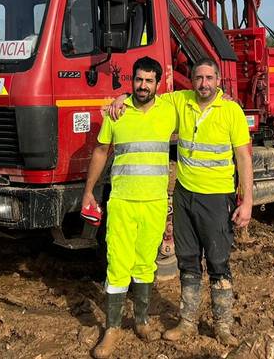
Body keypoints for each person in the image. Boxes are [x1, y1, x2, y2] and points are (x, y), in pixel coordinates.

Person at [109, 57, 253, 347]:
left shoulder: (232, 110)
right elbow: (146, 94)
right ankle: (187, 323)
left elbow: (244, 158)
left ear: (218, 81)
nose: (203, 84)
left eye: (209, 78)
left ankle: (222, 327)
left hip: (216, 196)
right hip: (185, 193)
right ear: (193, 80)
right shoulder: (181, 101)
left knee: (217, 261)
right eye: (198, 78)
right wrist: (121, 97)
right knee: (187, 261)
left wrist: (247, 200)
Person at [82, 56, 176, 359]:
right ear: (132, 81)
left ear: (157, 84)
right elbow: (100, 151)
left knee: (145, 265)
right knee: (118, 264)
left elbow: (201, 95)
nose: (143, 85)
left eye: (149, 80)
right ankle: (111, 329)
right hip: (122, 200)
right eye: (138, 80)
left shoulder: (170, 110)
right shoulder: (117, 112)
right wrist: (88, 193)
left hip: (154, 202)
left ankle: (141, 320)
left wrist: (223, 95)